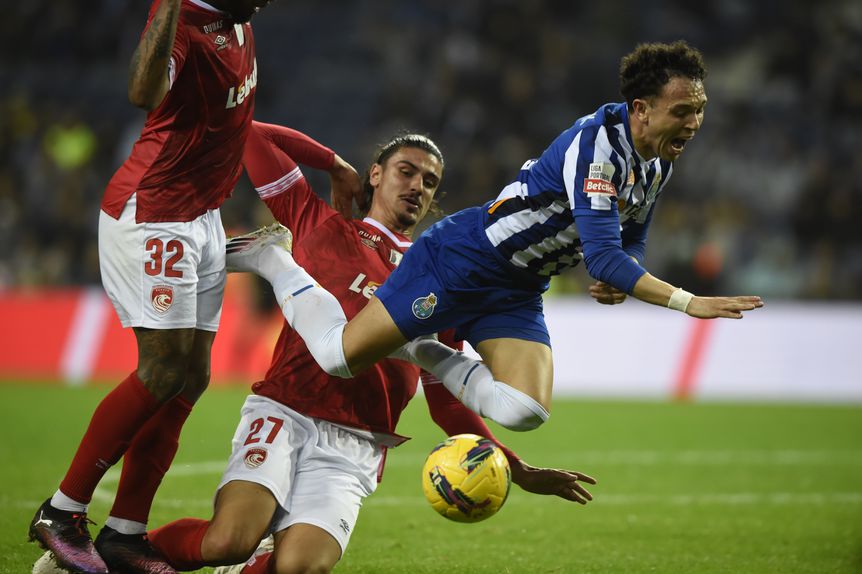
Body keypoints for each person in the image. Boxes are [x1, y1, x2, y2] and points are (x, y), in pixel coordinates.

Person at [227, 41, 764, 434]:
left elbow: (630, 239)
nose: (695, 123)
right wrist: (685, 301)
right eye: (683, 111)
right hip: (466, 259)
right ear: (642, 110)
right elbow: (601, 256)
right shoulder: (597, 146)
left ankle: (420, 345)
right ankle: (274, 262)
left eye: (700, 110)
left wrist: (623, 273)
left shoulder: (656, 160)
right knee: (339, 358)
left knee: (525, 411)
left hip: (521, 287)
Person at [131, 124, 596, 574]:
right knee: (227, 541)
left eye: (430, 182)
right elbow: (252, 135)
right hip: (284, 411)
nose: (417, 186)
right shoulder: (322, 226)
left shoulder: (444, 276)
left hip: (357, 444)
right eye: (406, 171)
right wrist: (333, 165)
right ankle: (119, 558)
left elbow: (445, 402)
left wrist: (513, 466)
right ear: (376, 174)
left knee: (299, 566)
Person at [26, 2, 344, 573]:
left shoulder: (240, 22)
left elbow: (244, 126)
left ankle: (125, 533)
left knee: (192, 376)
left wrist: (331, 162)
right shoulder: (183, 25)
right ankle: (63, 509)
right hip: (153, 210)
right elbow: (143, 93)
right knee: (163, 368)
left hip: (203, 216)